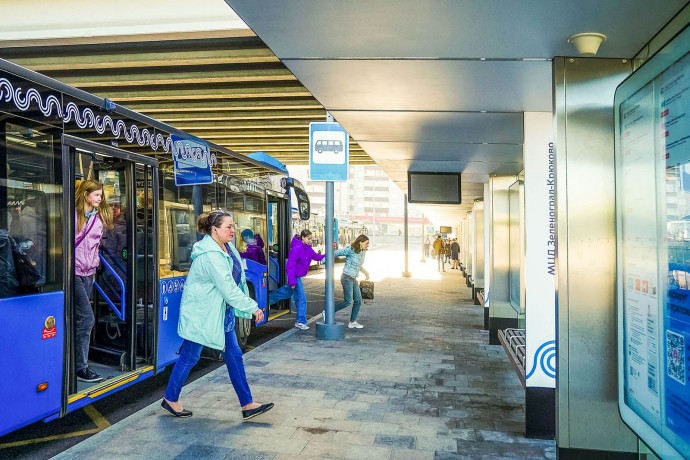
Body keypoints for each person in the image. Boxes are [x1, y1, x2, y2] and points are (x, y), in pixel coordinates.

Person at [162, 211, 274, 420]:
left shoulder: (227, 248)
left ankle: (247, 404)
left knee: (234, 356)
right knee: (190, 356)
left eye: (233, 226)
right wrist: (253, 307)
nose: (233, 230)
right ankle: (170, 398)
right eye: (228, 227)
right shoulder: (211, 255)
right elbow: (228, 289)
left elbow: (236, 280)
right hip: (204, 315)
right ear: (214, 230)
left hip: (221, 314)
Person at [74, 180, 113, 383]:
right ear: (85, 194)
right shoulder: (74, 216)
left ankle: (74, 361)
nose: (99, 198)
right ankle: (81, 367)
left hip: (89, 273)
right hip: (73, 273)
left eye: (101, 195)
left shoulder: (98, 218)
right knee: (87, 319)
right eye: (96, 195)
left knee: (80, 319)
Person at [267, 229, 325, 330]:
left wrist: (326, 255)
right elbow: (290, 266)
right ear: (303, 238)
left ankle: (266, 300)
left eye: (311, 238)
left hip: (297, 277)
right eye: (308, 238)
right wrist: (292, 281)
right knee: (301, 299)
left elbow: (316, 257)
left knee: (286, 293)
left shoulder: (308, 248)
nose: (310, 240)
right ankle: (300, 321)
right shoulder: (297, 248)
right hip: (295, 277)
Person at [333, 234, 370, 329]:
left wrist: (366, 273)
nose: (367, 245)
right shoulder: (351, 249)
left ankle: (352, 322)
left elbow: (358, 266)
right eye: (366, 243)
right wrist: (325, 257)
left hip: (353, 278)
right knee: (348, 301)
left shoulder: (363, 252)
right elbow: (336, 253)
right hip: (346, 277)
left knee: (358, 300)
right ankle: (328, 311)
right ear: (360, 242)